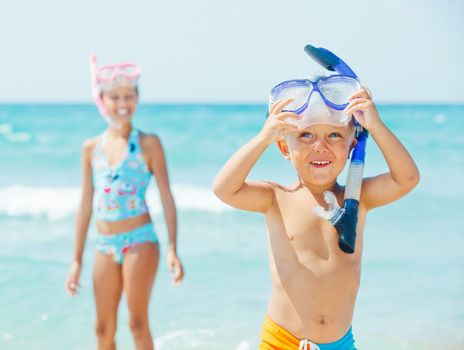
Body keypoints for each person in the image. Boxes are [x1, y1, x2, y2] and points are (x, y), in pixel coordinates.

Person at [213, 48, 419, 349]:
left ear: (352, 145)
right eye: (306, 136)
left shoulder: (357, 198)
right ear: (285, 148)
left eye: (334, 135)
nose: (320, 146)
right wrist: (264, 137)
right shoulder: (275, 198)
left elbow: (407, 179)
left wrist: (375, 125)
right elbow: (224, 188)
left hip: (340, 343)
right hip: (282, 341)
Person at [65, 55, 184, 350]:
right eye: (115, 96)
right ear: (101, 100)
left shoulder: (148, 143)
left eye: (129, 96)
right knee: (103, 328)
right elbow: (85, 205)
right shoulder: (91, 148)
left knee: (136, 323)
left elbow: (167, 198)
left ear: (137, 98)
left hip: (140, 241)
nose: (122, 103)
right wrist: (76, 260)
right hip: (104, 245)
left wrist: (172, 248)